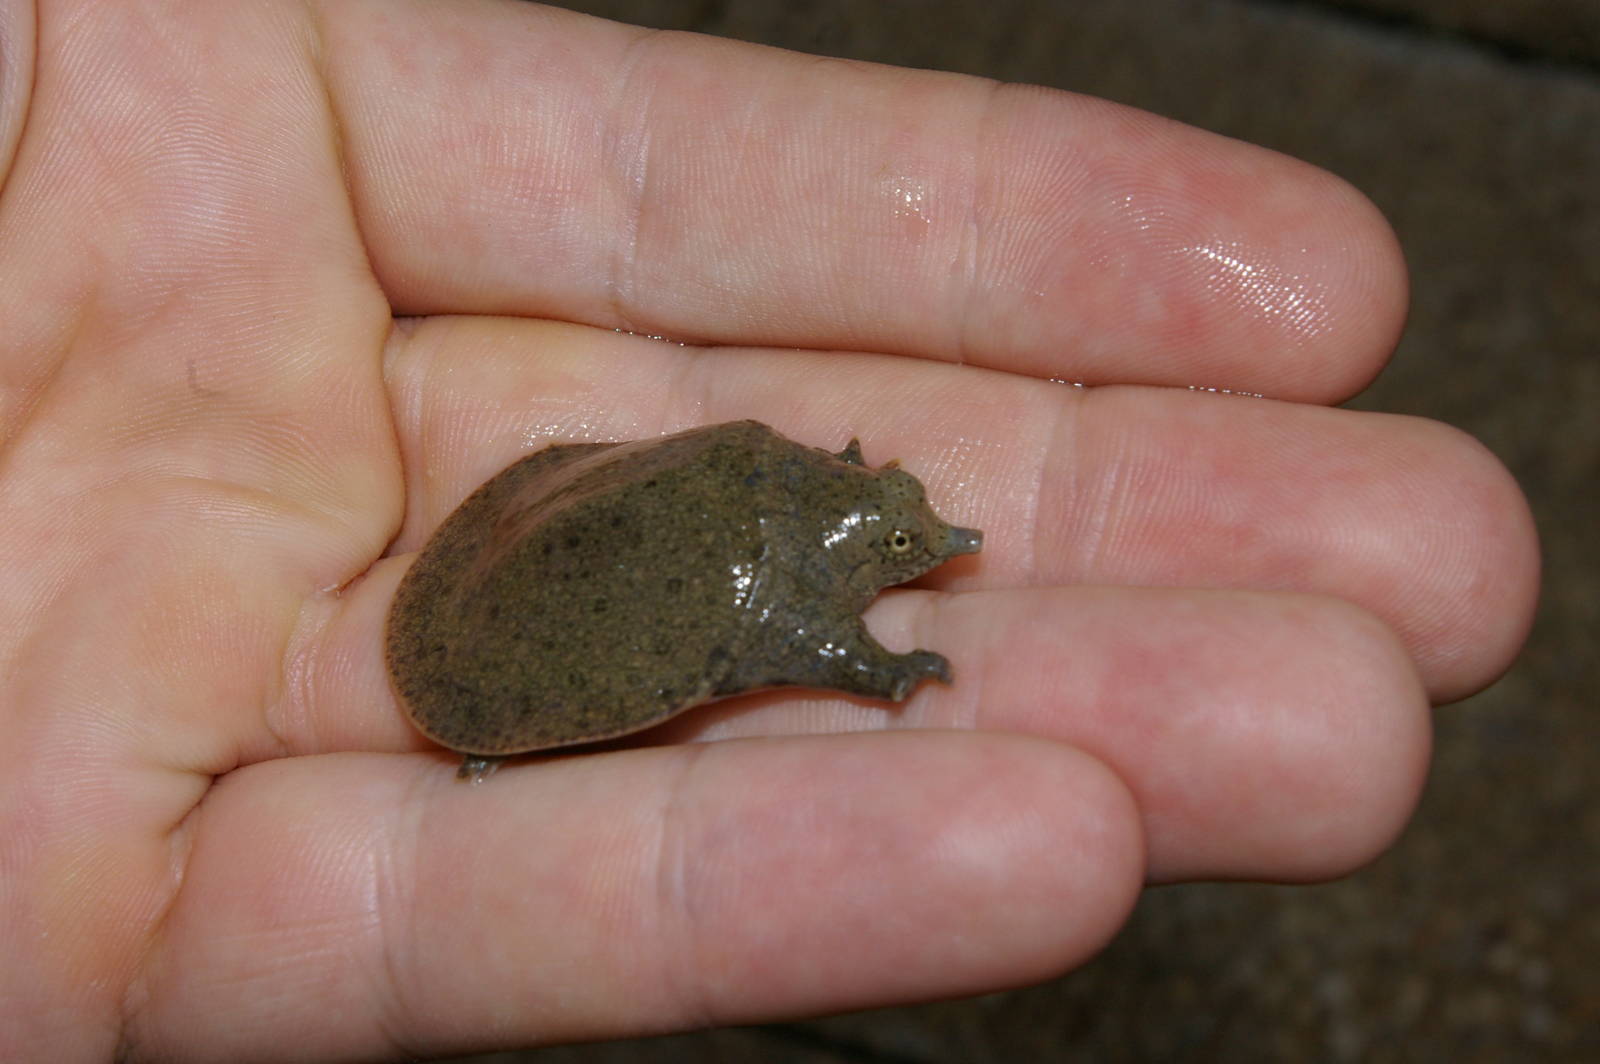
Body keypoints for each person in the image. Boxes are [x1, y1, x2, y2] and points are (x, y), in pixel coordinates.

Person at [0, 2, 1539, 1060]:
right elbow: (798, 636)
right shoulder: (781, 561)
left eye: (903, 528)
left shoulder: (776, 474)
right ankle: (491, 724)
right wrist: (878, 675)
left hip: (587, 530)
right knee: (690, 620)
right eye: (904, 533)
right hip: (550, 598)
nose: (920, 538)